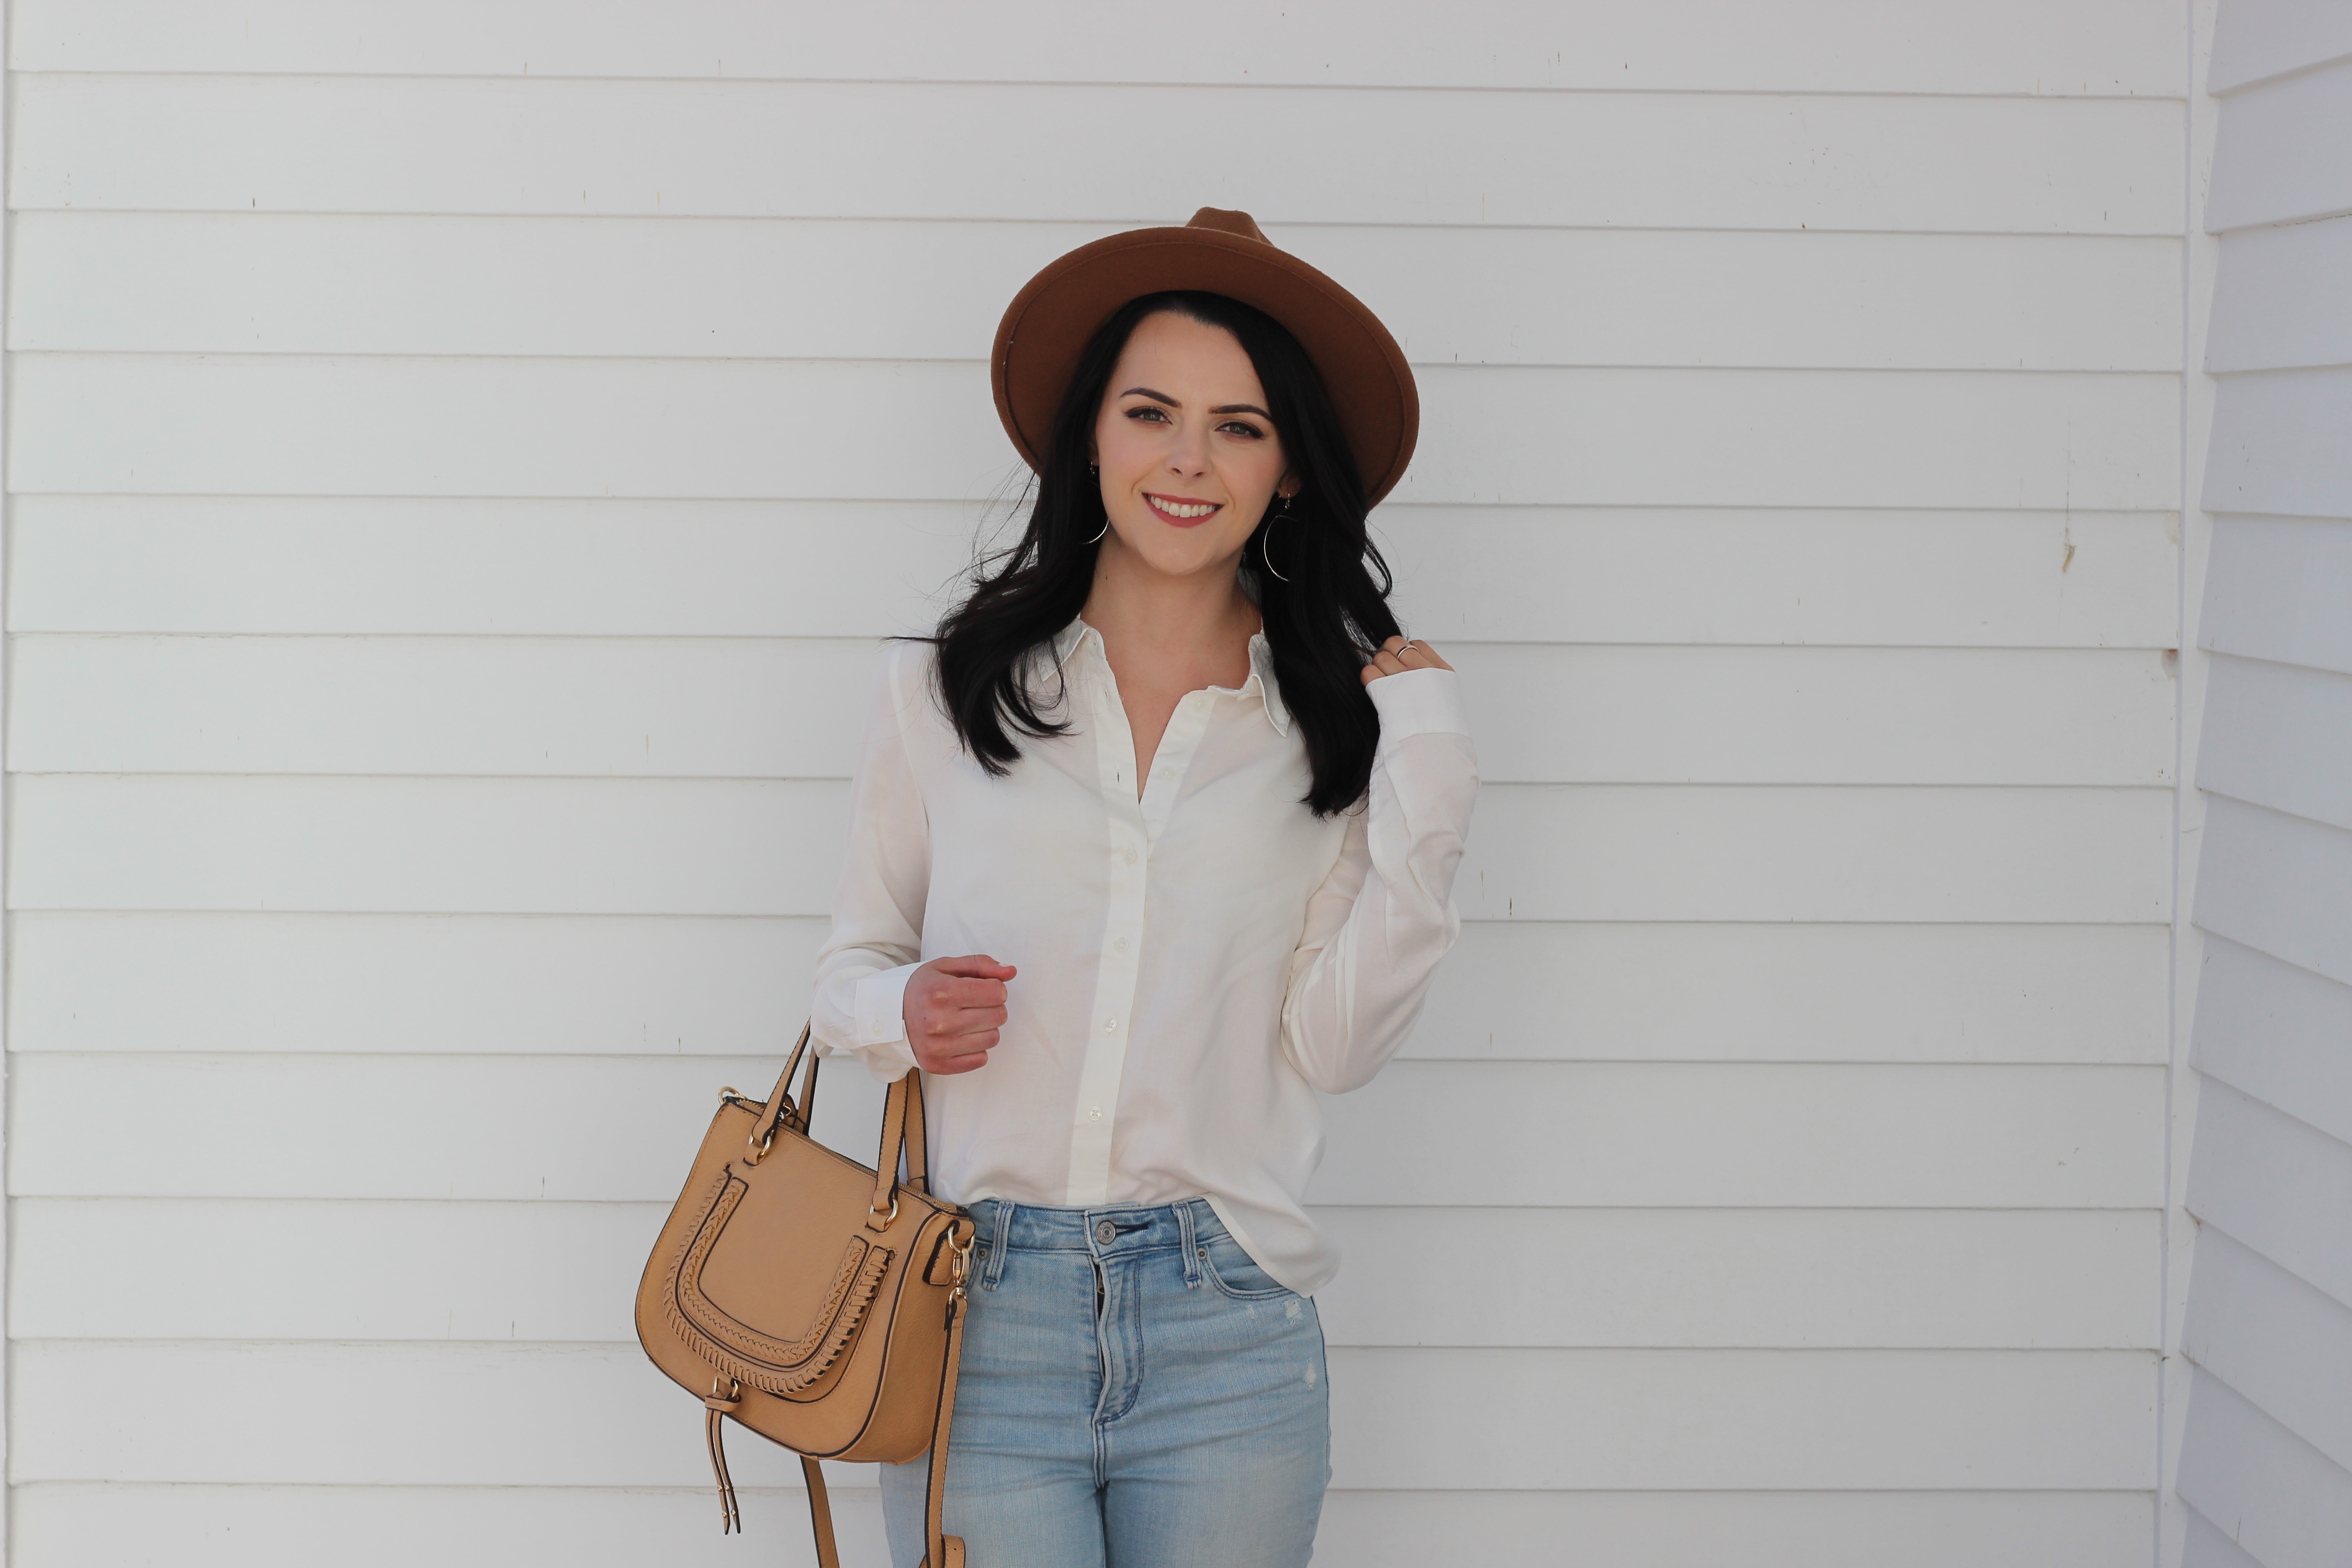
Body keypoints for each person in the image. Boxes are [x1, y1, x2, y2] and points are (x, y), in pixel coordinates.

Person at [810, 208, 1479, 1568]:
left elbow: (1337, 1049)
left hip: (1228, 1327)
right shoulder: (941, 691)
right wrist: (902, 1012)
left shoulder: (1336, 733)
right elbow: (846, 975)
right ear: (1092, 439)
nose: (1188, 459)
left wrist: (1432, 775)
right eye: (1151, 412)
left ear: (1289, 467)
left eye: (1239, 426)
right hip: (972, 1311)